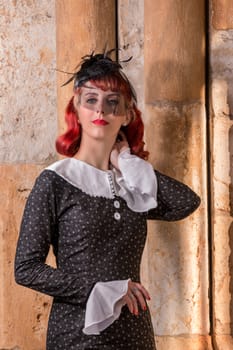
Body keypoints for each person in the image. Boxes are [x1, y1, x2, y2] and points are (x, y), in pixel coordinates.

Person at [15, 50, 200, 350]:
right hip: (77, 333)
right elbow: (26, 268)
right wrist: (99, 290)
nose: (101, 110)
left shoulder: (132, 185)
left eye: (112, 102)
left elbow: (185, 202)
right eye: (91, 100)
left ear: (127, 113)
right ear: (76, 107)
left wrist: (126, 160)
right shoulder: (55, 181)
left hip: (135, 332)